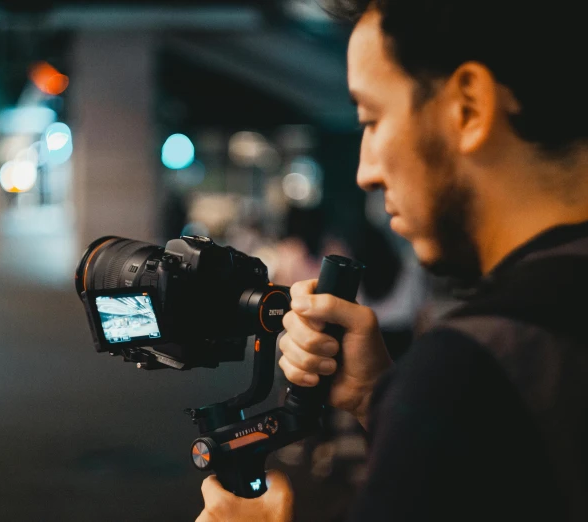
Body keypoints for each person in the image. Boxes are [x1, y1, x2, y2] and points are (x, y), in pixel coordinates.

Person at [197, 1, 588, 520]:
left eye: (372, 118)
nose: (366, 170)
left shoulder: (471, 373)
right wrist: (379, 397)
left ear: (468, 106)